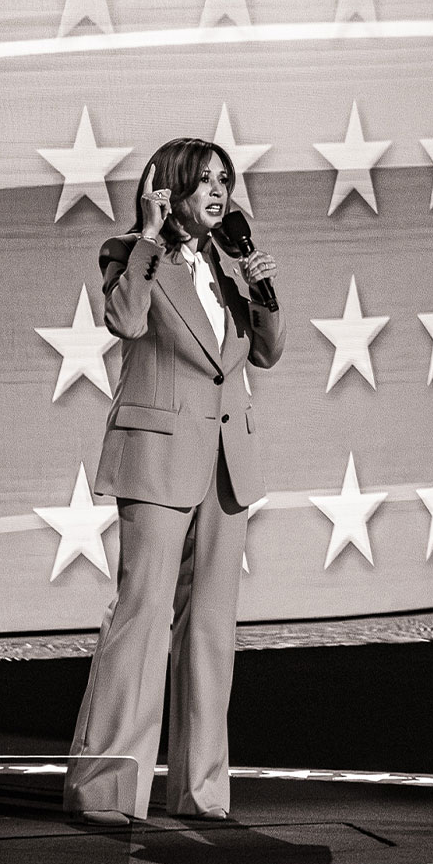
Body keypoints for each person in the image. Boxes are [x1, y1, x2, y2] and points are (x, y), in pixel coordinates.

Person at [65, 137, 282, 826]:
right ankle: (103, 790)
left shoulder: (228, 264)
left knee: (211, 630)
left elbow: (267, 353)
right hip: (159, 457)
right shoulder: (130, 253)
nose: (218, 192)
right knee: (142, 615)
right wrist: (150, 240)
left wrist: (261, 287)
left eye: (225, 180)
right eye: (204, 182)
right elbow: (125, 321)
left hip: (227, 460)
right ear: (171, 190)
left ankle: (200, 791)